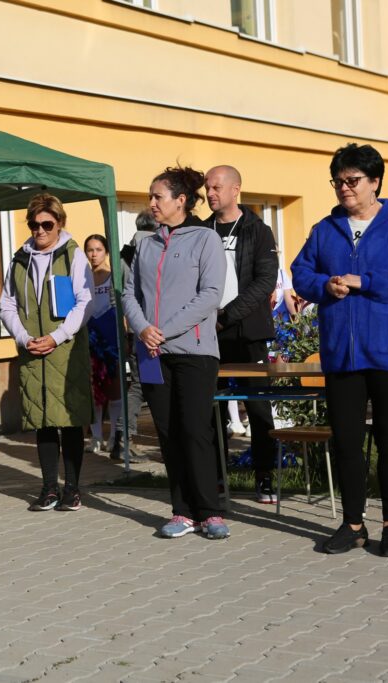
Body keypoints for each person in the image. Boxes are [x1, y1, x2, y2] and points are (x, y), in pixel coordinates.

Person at [291, 143, 388, 558]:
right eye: (337, 181)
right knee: (347, 441)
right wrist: (324, 286)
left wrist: (362, 281)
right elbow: (301, 272)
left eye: (352, 180)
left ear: (375, 182)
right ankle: (352, 524)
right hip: (342, 352)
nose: (344, 188)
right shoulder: (325, 229)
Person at [121, 166, 228, 539]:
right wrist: (143, 329)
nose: (151, 203)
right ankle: (182, 512)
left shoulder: (205, 239)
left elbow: (210, 295)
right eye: (150, 197)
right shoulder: (145, 244)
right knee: (168, 433)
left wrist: (164, 330)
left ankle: (210, 512)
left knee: (195, 430)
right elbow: (129, 294)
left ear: (181, 200)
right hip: (152, 353)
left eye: (158, 196)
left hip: (194, 352)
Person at [0, 193, 94, 512]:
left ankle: (73, 489)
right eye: (34, 224)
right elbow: (7, 303)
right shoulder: (19, 259)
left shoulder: (73, 255)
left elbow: (86, 302)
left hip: (65, 351)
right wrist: (23, 337)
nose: (39, 230)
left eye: (47, 224)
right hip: (32, 349)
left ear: (60, 223)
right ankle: (49, 488)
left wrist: (57, 336)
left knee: (69, 420)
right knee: (42, 421)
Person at [204, 165, 281, 504]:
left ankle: (265, 476)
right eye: (207, 187)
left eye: (216, 187)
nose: (210, 193)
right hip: (208, 332)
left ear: (235, 189)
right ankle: (216, 477)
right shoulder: (200, 230)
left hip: (248, 332)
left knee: (258, 407)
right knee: (211, 408)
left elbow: (264, 281)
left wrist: (227, 317)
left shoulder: (257, 230)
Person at [114, 210, 158, 462]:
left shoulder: (124, 256)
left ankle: (121, 439)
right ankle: (124, 439)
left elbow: (117, 298)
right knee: (144, 385)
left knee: (140, 385)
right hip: (153, 330)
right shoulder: (155, 248)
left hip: (133, 330)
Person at [84, 234, 122, 455]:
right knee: (94, 389)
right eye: (90, 250)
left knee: (115, 388)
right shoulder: (83, 278)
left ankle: (114, 436)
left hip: (111, 338)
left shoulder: (114, 276)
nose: (94, 254)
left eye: (98, 249)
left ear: (106, 252)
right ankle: (96, 437)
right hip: (90, 336)